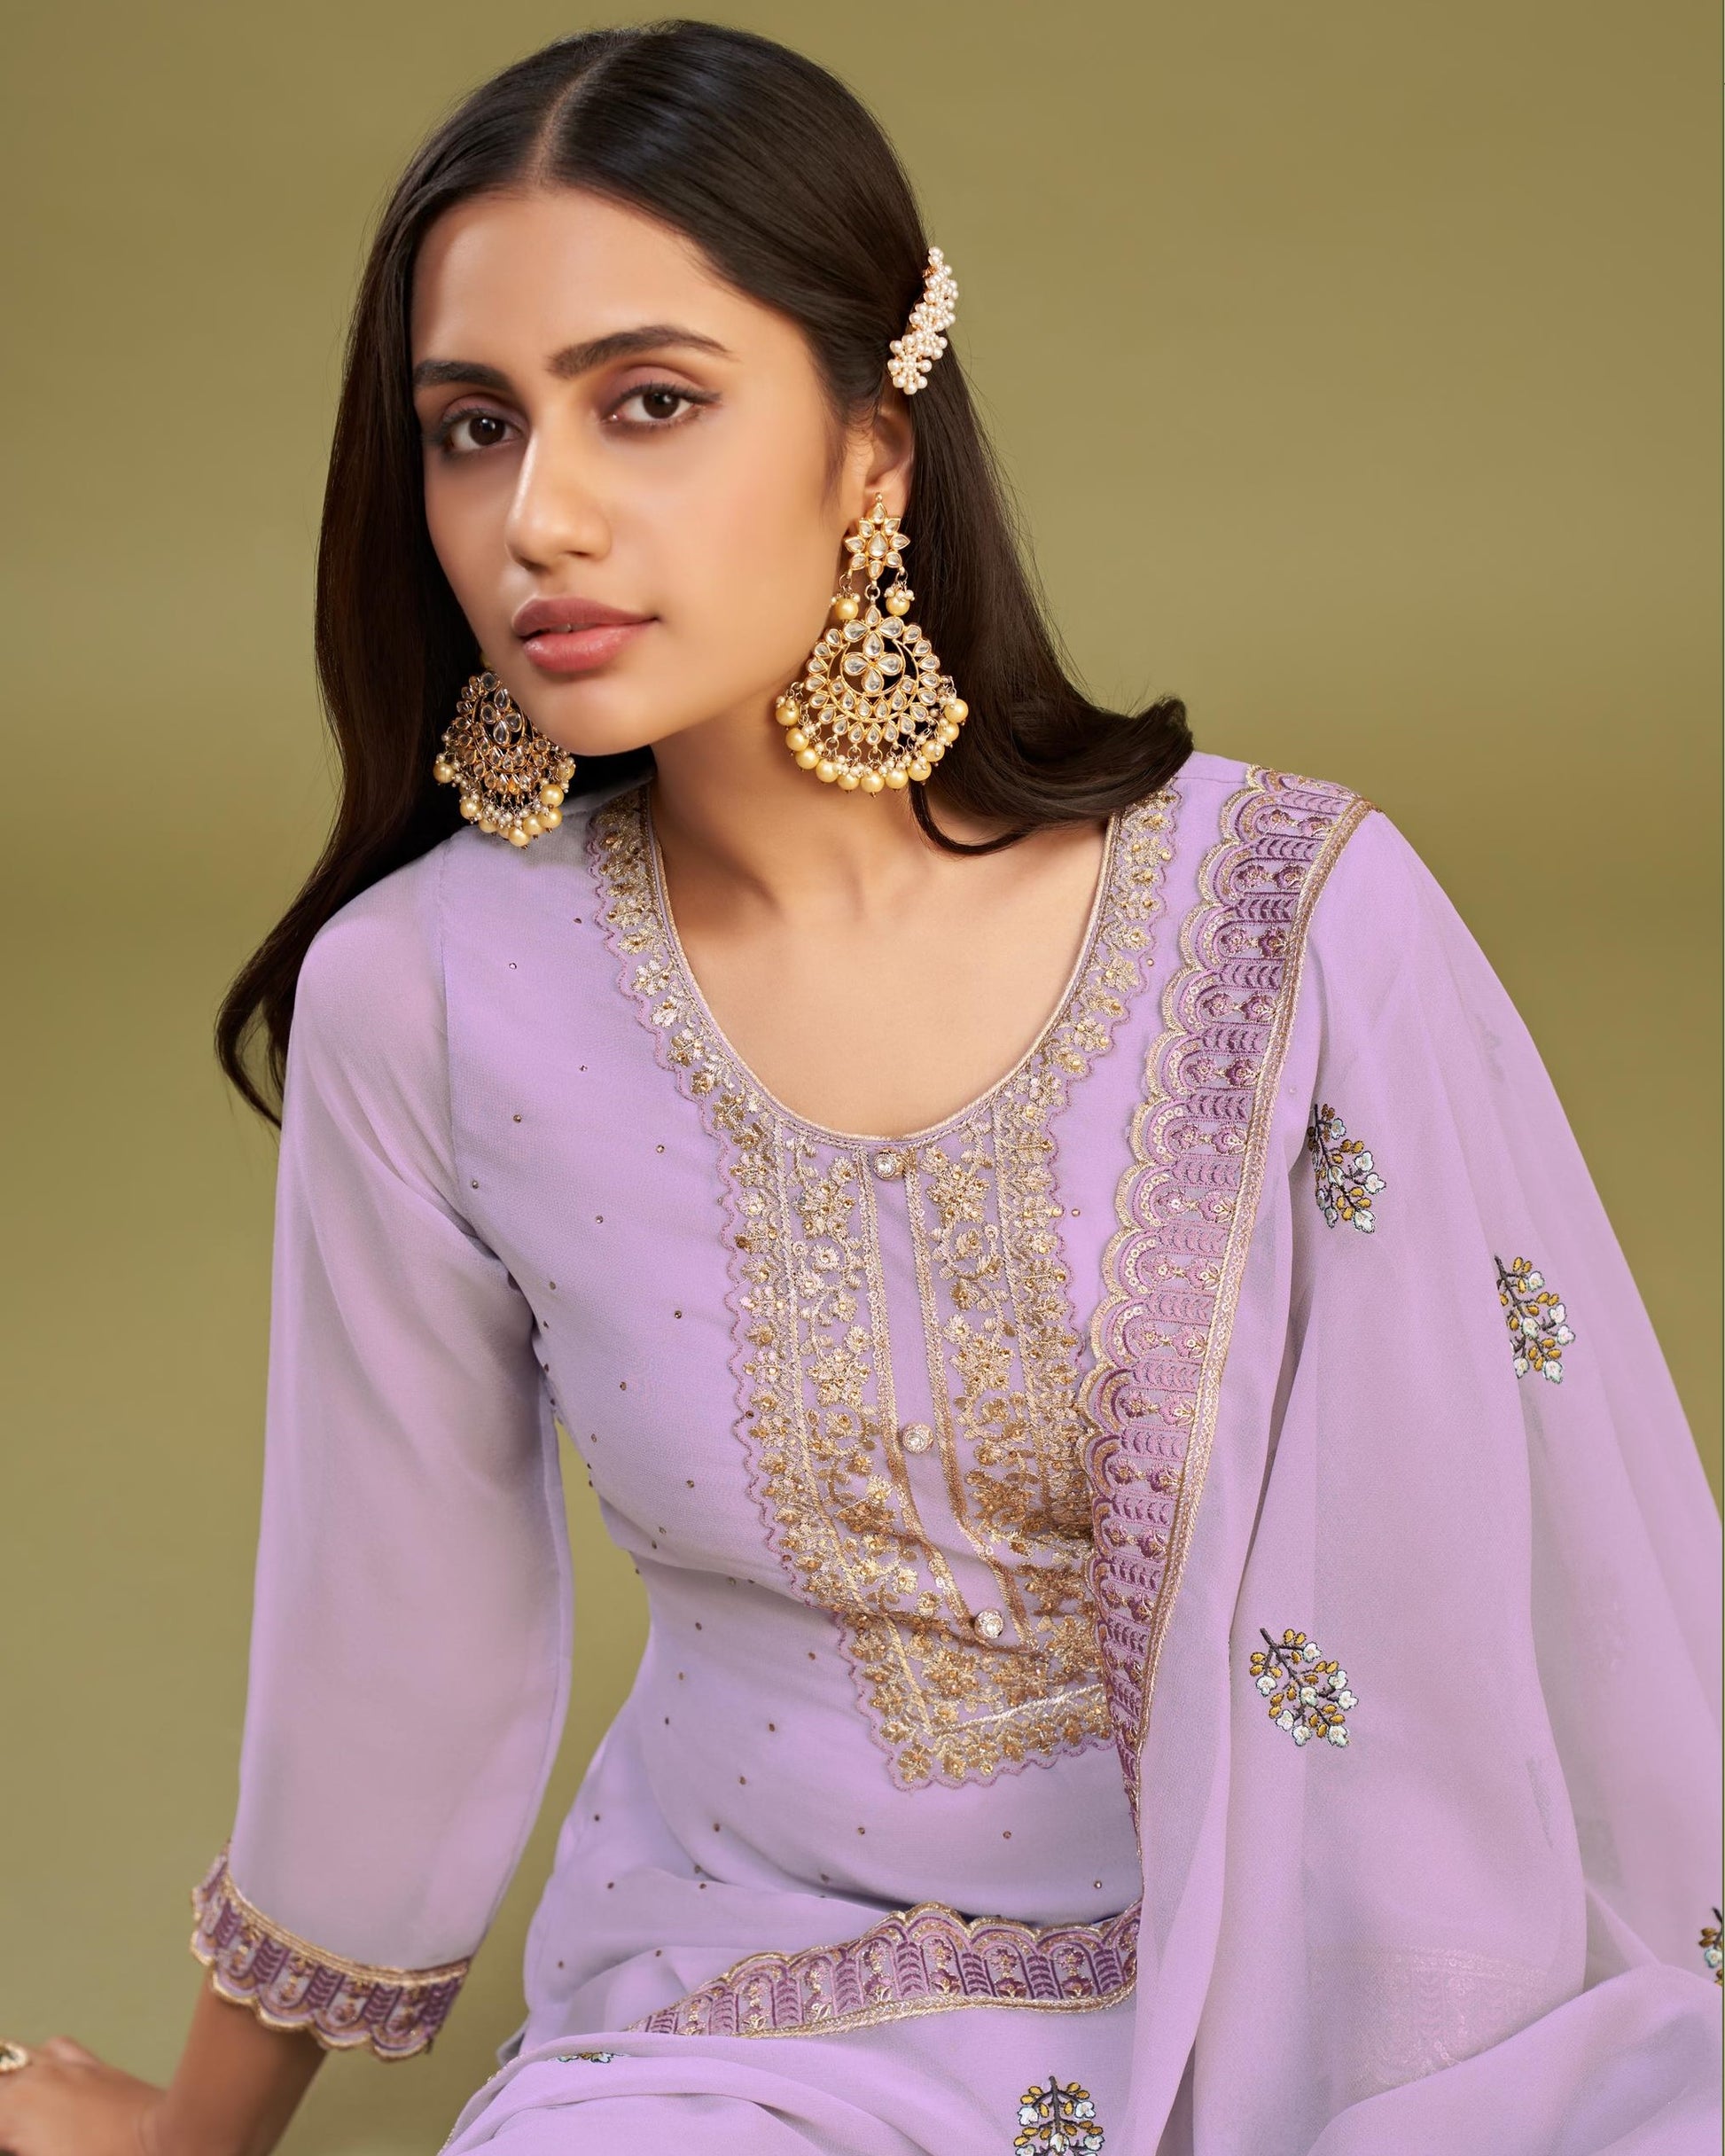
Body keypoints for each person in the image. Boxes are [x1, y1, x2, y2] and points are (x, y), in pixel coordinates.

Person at [2, 20, 1717, 2156]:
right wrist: (190, 2132)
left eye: (648, 402)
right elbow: (394, 1637)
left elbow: (1533, 1557)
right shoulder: (429, 997)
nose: (537, 516)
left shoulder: (1287, 921)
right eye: (469, 426)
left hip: (1341, 1970)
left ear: (870, 451)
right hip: (763, 2015)